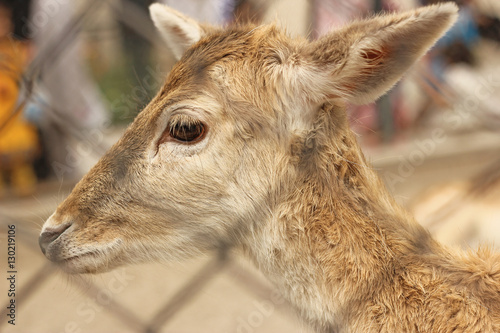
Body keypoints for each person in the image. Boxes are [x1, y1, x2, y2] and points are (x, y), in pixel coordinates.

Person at [0, 1, 38, 197]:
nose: (3, 24)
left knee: (21, 170)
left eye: (5, 19)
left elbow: (27, 65)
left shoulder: (15, 49)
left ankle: (28, 202)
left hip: (14, 115)